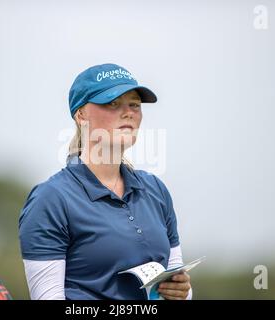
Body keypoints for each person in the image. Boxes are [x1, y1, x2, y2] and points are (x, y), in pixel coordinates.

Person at [18, 63, 192, 300]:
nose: (128, 112)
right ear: (81, 115)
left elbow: (177, 284)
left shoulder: (155, 190)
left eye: (134, 105)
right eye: (112, 103)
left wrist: (183, 292)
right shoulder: (51, 198)